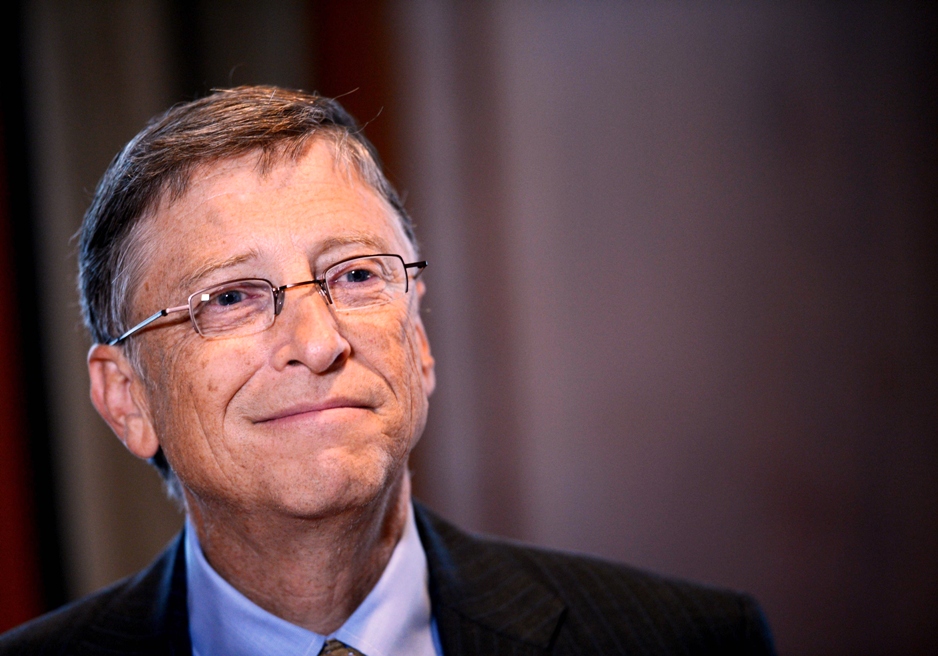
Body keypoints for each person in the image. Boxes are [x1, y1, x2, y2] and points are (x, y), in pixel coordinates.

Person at [0, 86, 775, 655]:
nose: (318, 340)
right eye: (232, 296)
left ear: (421, 341)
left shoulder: (686, 641)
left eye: (356, 276)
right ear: (127, 399)